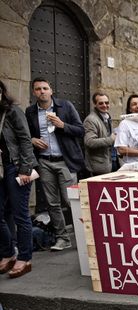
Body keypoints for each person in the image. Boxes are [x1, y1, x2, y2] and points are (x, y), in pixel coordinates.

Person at [25, 77, 84, 252]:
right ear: (34, 92)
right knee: (52, 203)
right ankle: (62, 238)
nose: (41, 91)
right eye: (37, 89)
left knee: (70, 200)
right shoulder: (30, 112)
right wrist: (32, 140)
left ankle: (84, 237)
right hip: (44, 162)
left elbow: (80, 130)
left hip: (64, 162)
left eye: (44, 88)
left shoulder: (65, 106)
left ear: (51, 91)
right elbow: (25, 135)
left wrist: (63, 125)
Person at [0, 79, 37, 278]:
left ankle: (25, 258)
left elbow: (25, 139)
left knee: (20, 214)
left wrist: (25, 168)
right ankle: (8, 253)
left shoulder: (12, 112)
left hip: (16, 167)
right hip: (0, 169)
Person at [83, 92, 116, 176]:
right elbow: (90, 142)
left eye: (107, 103)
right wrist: (111, 139)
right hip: (98, 167)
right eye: (101, 103)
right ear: (95, 104)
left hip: (109, 163)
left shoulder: (107, 116)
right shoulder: (91, 120)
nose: (104, 105)